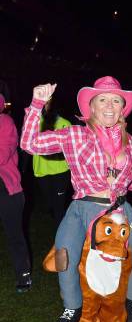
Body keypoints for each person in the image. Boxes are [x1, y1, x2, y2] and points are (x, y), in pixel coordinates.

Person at [21, 79, 132, 322]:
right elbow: (31, 144)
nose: (109, 105)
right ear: (91, 107)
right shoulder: (75, 134)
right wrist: (37, 104)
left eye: (116, 100)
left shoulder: (130, 143)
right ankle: (71, 308)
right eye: (102, 100)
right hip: (83, 207)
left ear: (122, 109)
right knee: (65, 255)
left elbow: (130, 181)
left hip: (120, 208)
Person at [0, 93, 32, 292]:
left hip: (6, 188)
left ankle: (24, 275)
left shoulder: (5, 122)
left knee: (14, 234)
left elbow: (3, 153)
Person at [32, 96, 71, 230]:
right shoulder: (35, 123)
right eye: (43, 102)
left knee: (58, 207)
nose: (44, 105)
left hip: (61, 172)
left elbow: (71, 149)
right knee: (49, 204)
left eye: (47, 103)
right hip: (41, 171)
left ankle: (61, 240)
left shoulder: (65, 123)